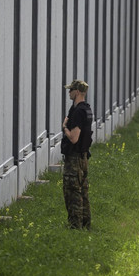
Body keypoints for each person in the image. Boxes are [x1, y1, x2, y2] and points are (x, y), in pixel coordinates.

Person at [61, 80, 94, 229]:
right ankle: (86, 225)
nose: (69, 93)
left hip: (74, 159)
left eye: (71, 90)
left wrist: (64, 128)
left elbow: (74, 138)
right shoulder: (85, 109)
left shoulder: (78, 112)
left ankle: (75, 227)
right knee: (83, 191)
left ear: (78, 92)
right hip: (83, 157)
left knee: (72, 192)